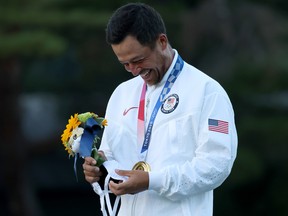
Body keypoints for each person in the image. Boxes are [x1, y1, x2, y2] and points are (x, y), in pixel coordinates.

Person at [83, 2, 237, 216]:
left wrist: (152, 181)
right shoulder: (121, 94)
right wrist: (99, 168)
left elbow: (216, 166)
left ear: (162, 41)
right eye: (125, 64)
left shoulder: (207, 91)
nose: (134, 71)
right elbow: (110, 153)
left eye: (138, 60)